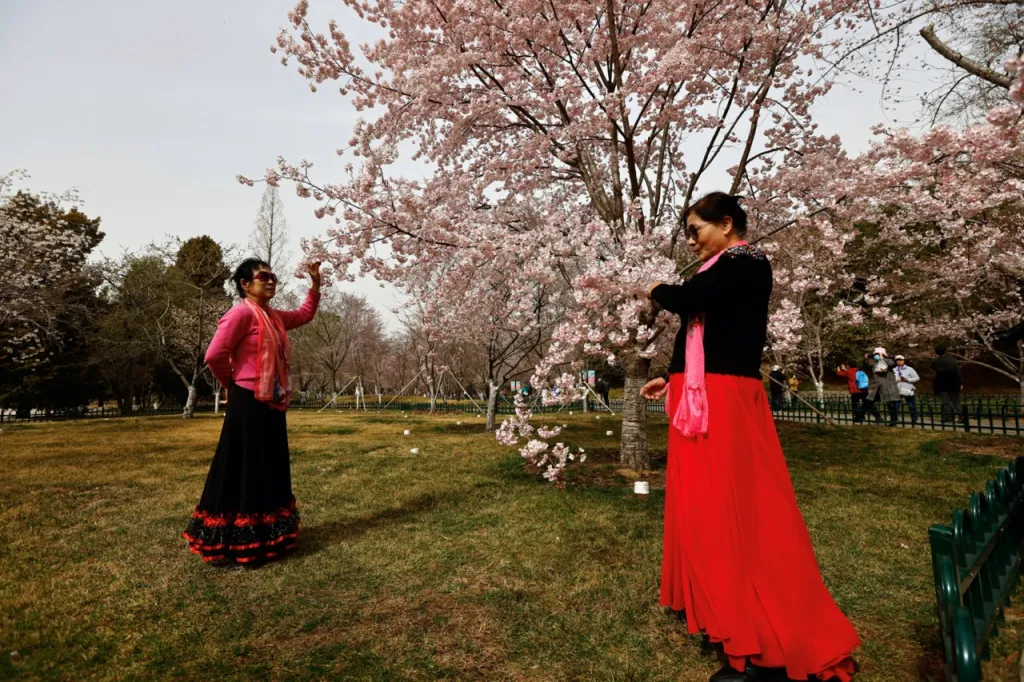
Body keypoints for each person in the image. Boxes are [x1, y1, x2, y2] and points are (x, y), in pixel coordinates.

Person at [641, 192, 859, 682]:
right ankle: (719, 603)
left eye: (696, 230)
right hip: (703, 393)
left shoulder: (747, 259)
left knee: (736, 506)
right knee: (704, 506)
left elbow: (691, 302)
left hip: (728, 399)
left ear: (725, 223)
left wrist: (658, 288)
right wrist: (671, 376)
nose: (691, 241)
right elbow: (704, 332)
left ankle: (759, 626)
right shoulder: (722, 267)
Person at [183, 259, 322, 565]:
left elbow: (304, 314)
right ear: (245, 284)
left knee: (269, 465)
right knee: (245, 466)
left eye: (273, 276)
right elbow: (215, 354)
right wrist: (232, 383)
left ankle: (270, 536)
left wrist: (314, 284)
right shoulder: (241, 312)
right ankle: (237, 541)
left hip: (272, 400)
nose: (271, 281)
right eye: (263, 277)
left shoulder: (273, 316)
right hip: (247, 401)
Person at [866, 347, 901, 427]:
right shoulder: (875, 363)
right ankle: (878, 417)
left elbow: (892, 364)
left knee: (891, 405)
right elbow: (867, 366)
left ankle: (893, 421)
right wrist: (866, 359)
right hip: (878, 387)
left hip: (888, 387)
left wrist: (882, 359)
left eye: (877, 354)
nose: (875, 356)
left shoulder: (888, 361)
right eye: (875, 354)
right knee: (868, 402)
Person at [932, 345, 964, 423]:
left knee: (945, 401)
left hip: (942, 383)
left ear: (936, 352)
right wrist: (960, 383)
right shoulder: (952, 360)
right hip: (954, 382)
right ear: (945, 351)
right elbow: (958, 372)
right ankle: (961, 416)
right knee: (956, 400)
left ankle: (948, 417)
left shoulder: (935, 361)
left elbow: (934, 373)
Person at [892, 355, 920, 424]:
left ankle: (914, 419)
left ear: (904, 360)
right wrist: (896, 380)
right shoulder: (894, 370)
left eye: (900, 360)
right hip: (897, 389)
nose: (899, 361)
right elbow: (891, 380)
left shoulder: (909, 369)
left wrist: (907, 379)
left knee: (911, 405)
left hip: (907, 388)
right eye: (897, 360)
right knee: (896, 405)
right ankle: (894, 419)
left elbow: (917, 378)